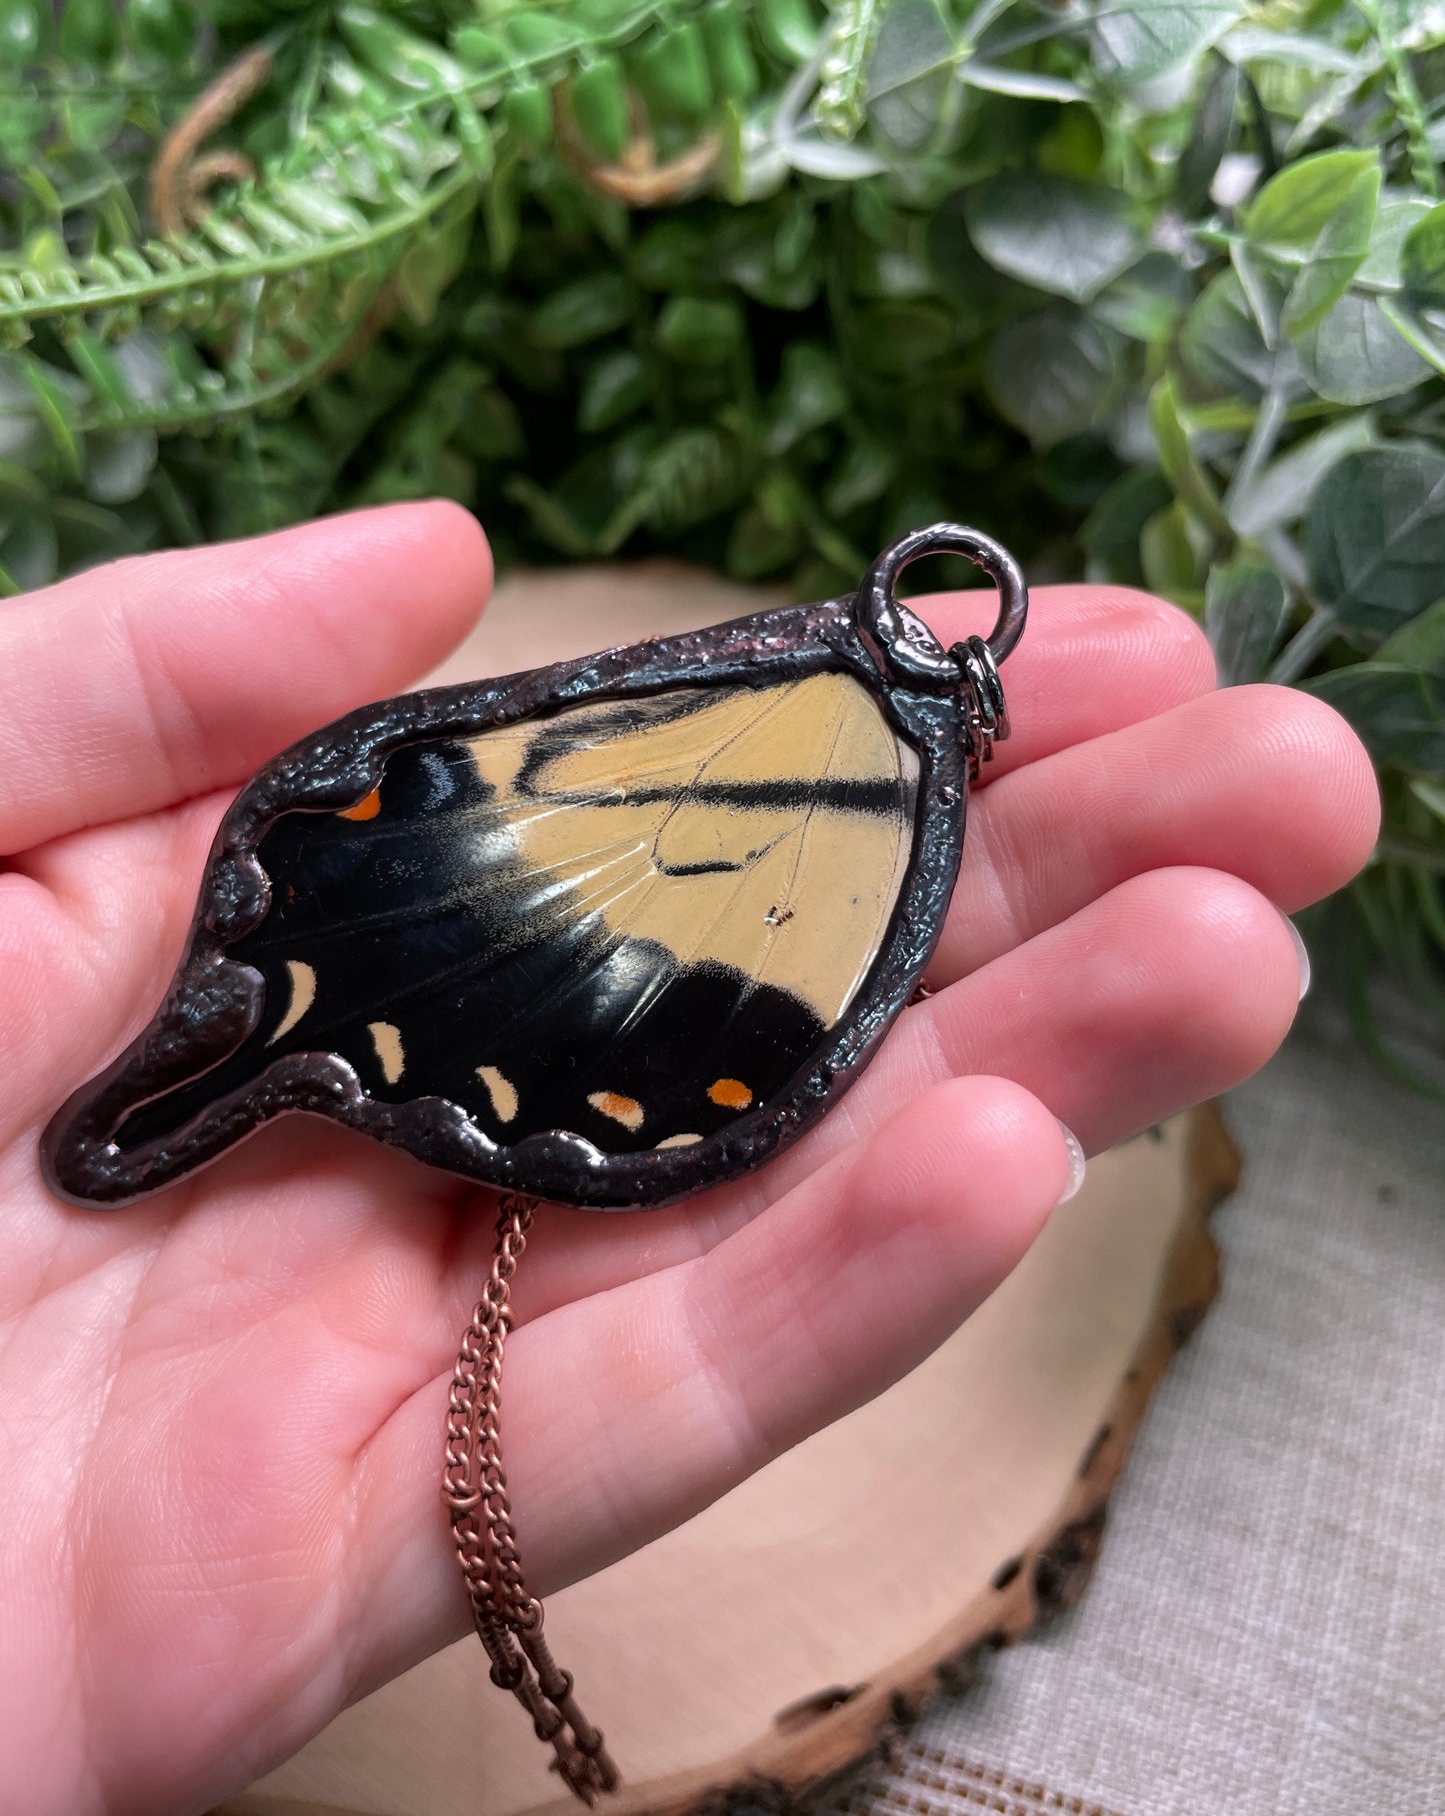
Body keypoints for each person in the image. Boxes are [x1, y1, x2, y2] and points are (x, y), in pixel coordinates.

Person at [0, 502, 1378, 1815]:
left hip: (561, 976)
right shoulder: (859, 755)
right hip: (465, 914)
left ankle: (258, 1059)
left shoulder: (866, 767)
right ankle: (246, 1060)